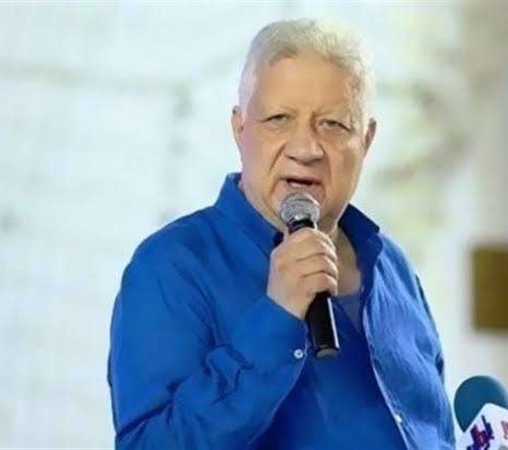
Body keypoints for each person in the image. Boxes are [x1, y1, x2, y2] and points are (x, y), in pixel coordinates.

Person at [107, 18, 454, 450]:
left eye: (333, 124)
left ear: (366, 140)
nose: (305, 149)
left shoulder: (392, 266)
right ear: (240, 130)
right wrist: (278, 316)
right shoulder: (171, 267)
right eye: (279, 119)